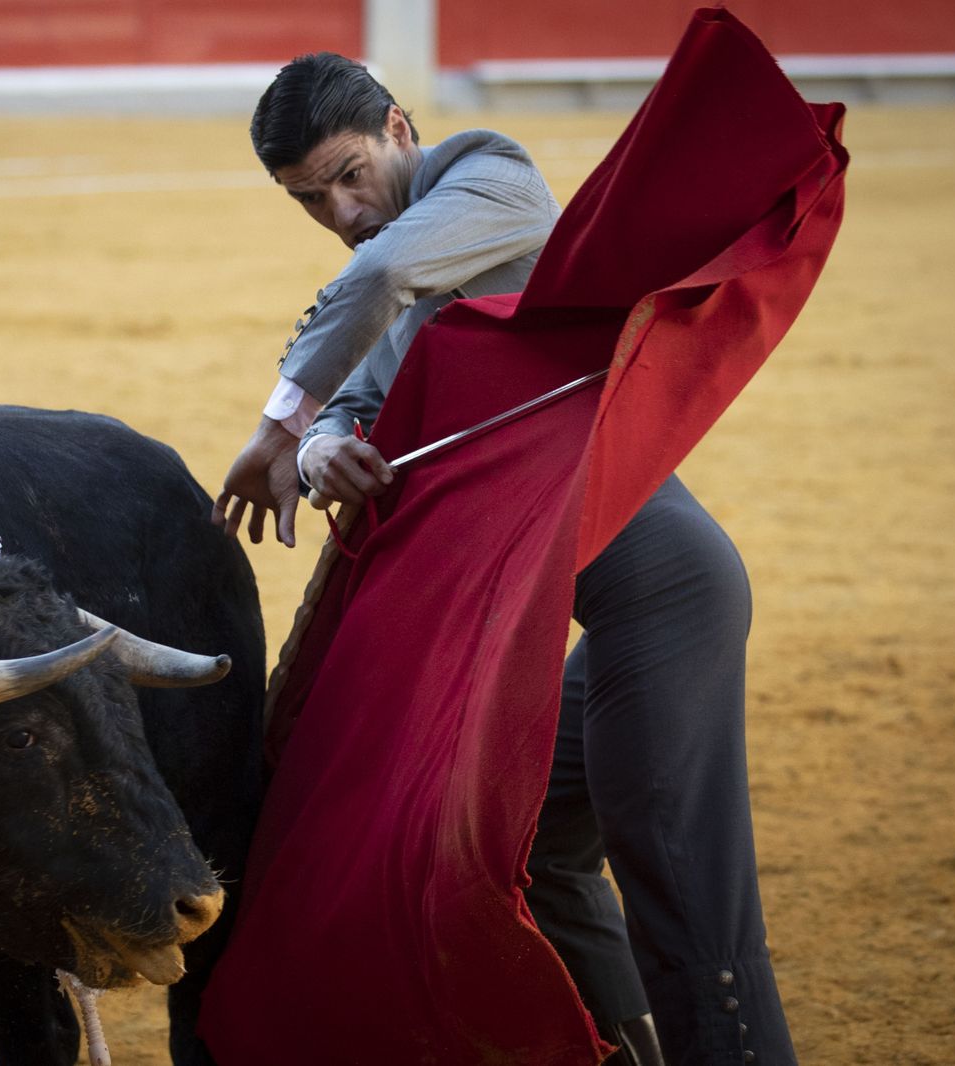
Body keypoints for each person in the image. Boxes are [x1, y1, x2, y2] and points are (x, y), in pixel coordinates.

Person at [211, 52, 797, 1065]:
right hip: (591, 606)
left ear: (401, 129)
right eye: (310, 199)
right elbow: (360, 391)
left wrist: (276, 423)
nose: (343, 211)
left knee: (671, 853)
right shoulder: (389, 265)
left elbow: (381, 276)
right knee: (536, 850)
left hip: (664, 591)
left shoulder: (490, 177)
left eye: (351, 175)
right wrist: (318, 447)